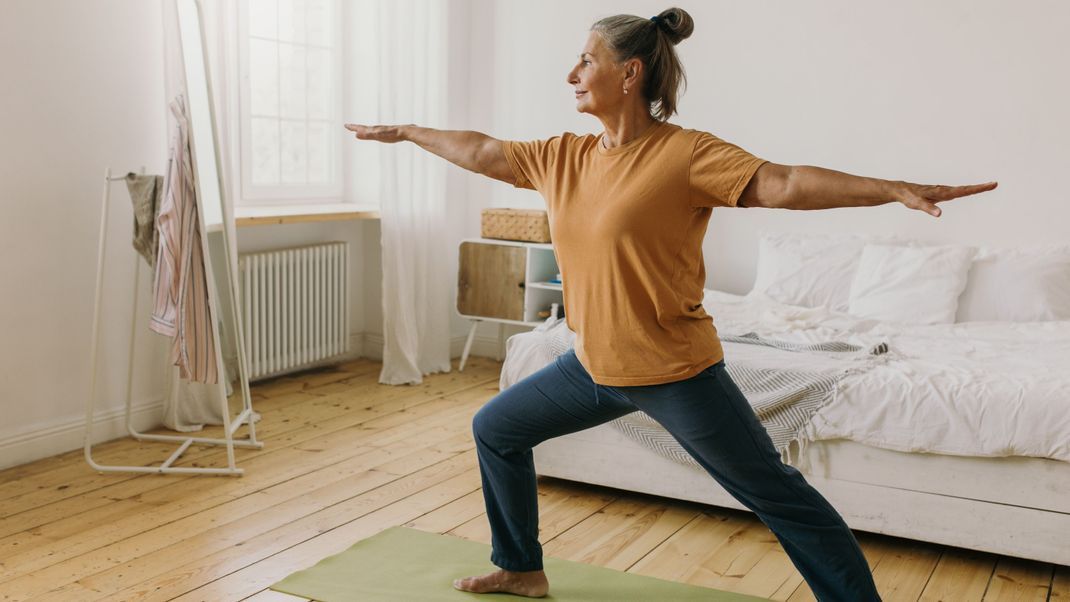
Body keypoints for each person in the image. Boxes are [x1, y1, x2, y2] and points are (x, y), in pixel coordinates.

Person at [345, 7, 996, 601]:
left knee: (779, 496)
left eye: (586, 61)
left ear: (629, 74)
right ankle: (521, 567)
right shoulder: (562, 157)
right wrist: (406, 131)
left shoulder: (685, 154)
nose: (571, 72)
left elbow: (785, 182)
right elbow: (484, 150)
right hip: (593, 365)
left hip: (674, 371)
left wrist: (892, 188)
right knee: (496, 429)